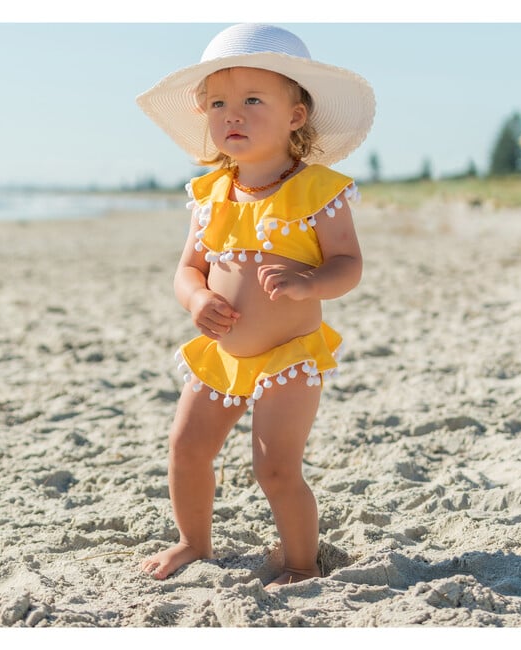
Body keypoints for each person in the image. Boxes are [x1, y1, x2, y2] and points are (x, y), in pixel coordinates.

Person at [136, 23, 375, 588]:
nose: (232, 115)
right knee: (187, 447)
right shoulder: (210, 193)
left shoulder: (318, 190)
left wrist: (309, 282)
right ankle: (193, 542)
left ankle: (298, 562)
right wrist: (196, 298)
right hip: (222, 354)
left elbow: (349, 265)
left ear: (295, 116)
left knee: (274, 467)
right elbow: (188, 268)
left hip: (288, 356)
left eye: (251, 100)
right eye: (217, 103)